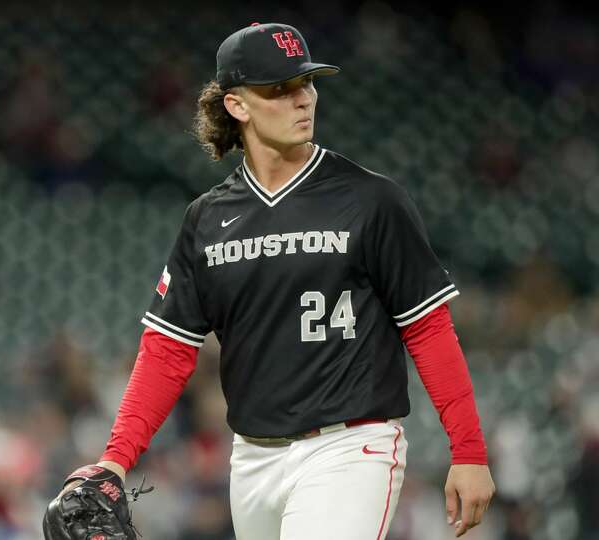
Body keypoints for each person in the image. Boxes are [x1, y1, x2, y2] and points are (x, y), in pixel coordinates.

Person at [54, 22, 495, 539]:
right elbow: (168, 350)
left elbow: (428, 329)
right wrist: (116, 459)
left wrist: (468, 451)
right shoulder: (207, 218)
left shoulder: (372, 200)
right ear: (237, 106)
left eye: (306, 83)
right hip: (252, 459)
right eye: (279, 89)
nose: (302, 98)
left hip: (351, 447)